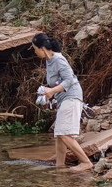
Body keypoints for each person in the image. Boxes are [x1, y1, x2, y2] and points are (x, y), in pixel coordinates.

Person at [31, 32, 94, 172]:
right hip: (64, 99)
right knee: (59, 135)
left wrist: (52, 91)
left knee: (64, 133)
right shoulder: (49, 61)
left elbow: (69, 79)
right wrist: (47, 92)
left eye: (35, 48)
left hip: (71, 97)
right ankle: (60, 166)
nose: (34, 52)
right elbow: (58, 82)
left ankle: (86, 162)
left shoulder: (58, 59)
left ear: (42, 48)